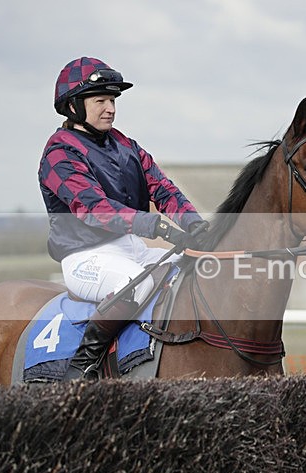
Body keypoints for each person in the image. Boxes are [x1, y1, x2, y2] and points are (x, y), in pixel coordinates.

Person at [38, 56, 209, 381]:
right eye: (100, 99)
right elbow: (93, 208)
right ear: (74, 105)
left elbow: (163, 189)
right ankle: (83, 366)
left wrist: (194, 224)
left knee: (192, 270)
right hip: (86, 257)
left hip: (131, 248)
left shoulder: (126, 145)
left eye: (113, 99)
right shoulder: (59, 153)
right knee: (139, 283)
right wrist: (155, 225)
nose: (110, 108)